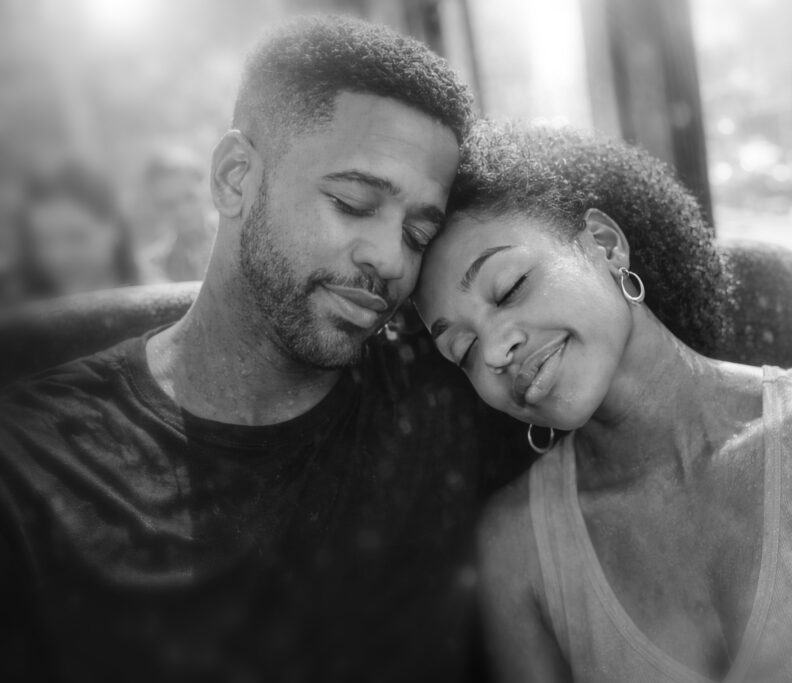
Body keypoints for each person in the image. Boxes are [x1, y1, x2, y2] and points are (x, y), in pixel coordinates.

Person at [413, 122, 792, 682]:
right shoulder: (514, 550)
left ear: (603, 245)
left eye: (509, 286)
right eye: (460, 349)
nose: (494, 349)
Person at [0, 16, 494, 682]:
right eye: (352, 202)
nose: (388, 258)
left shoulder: (446, 393)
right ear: (235, 178)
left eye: (415, 232)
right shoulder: (35, 467)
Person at [17, 161, 139, 299]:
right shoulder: (22, 308)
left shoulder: (161, 308)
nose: (58, 256)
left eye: (76, 237)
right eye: (44, 241)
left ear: (114, 229)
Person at [135, 146, 216, 283]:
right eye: (169, 205)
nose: (183, 212)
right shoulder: (155, 264)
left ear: (208, 188)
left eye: (189, 198)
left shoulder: (240, 238)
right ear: (156, 207)